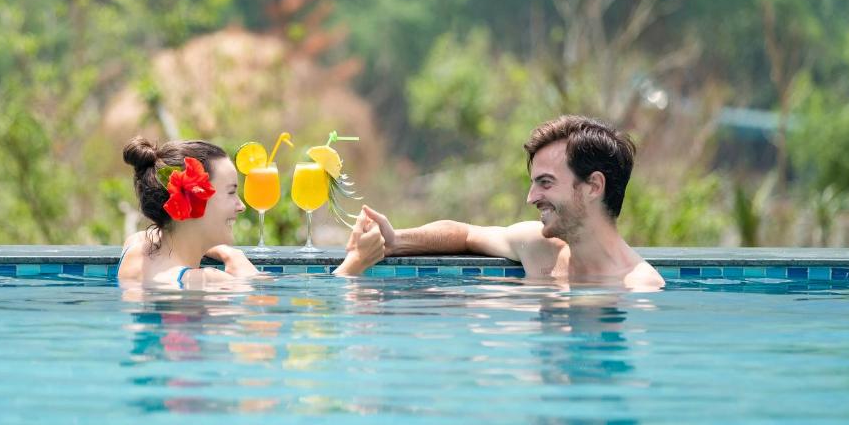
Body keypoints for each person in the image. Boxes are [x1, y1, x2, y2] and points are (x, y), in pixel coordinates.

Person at [364, 115, 664, 289]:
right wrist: (395, 241)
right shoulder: (540, 249)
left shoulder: (638, 287)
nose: (531, 197)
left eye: (545, 183)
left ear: (593, 186)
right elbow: (465, 234)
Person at [119, 136, 384, 288]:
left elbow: (175, 232)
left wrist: (227, 251)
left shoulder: (135, 248)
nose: (241, 205)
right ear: (195, 200)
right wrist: (356, 262)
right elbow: (297, 299)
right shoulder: (205, 282)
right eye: (231, 192)